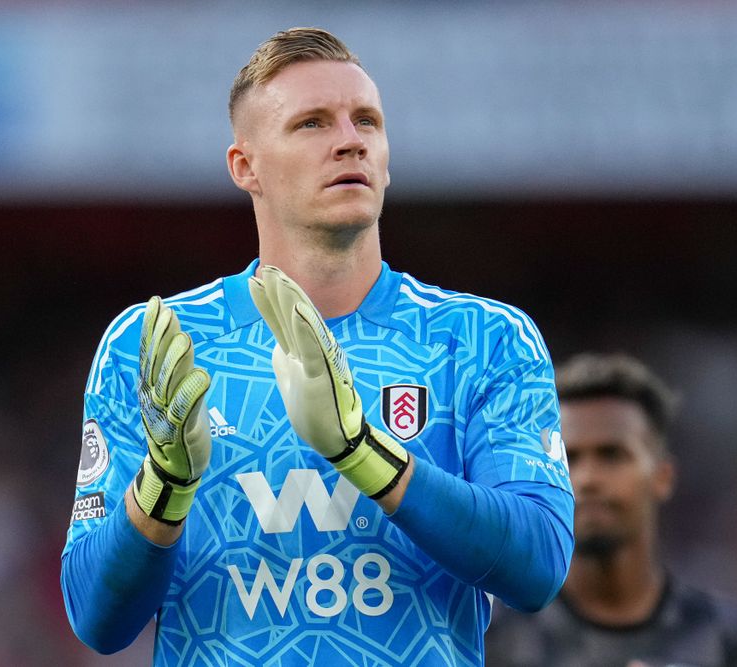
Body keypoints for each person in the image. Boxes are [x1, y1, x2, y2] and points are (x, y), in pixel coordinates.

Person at [61, 27, 574, 666]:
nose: (350, 139)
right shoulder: (154, 346)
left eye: (367, 121)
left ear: (386, 157)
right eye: (312, 124)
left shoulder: (483, 340)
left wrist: (363, 452)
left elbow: (539, 567)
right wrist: (164, 483)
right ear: (245, 166)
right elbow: (95, 618)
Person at [485, 352, 737, 667]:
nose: (587, 478)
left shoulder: (729, 637)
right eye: (567, 458)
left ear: (663, 476)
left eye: (612, 455)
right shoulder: (493, 635)